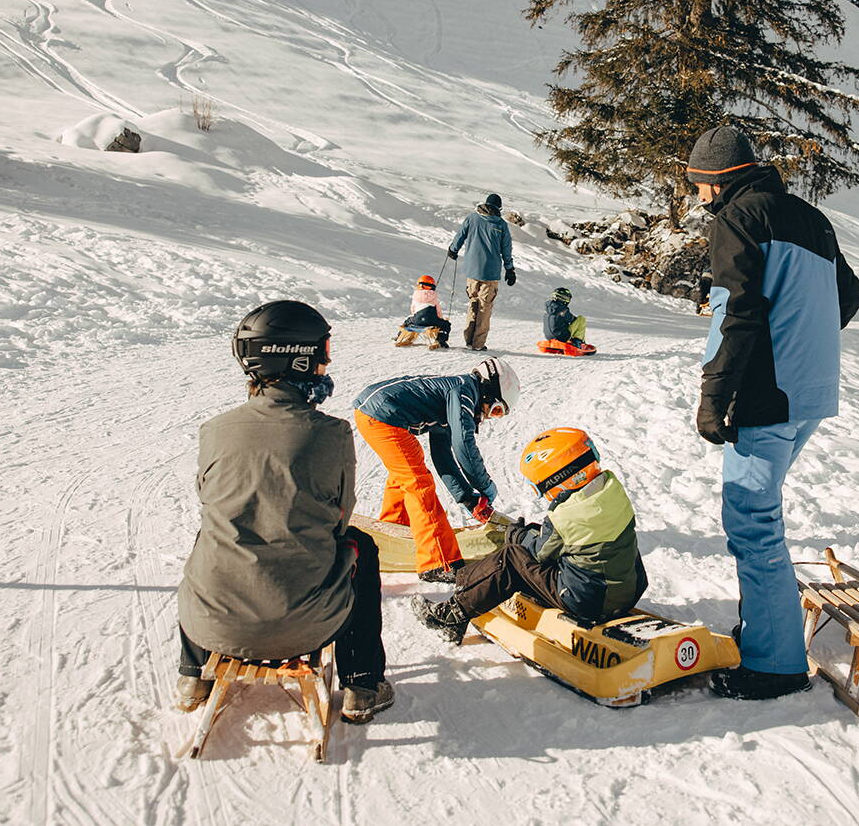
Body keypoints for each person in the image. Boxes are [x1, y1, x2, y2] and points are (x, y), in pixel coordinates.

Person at [686, 125, 859, 701]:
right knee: (762, 518)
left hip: (769, 397)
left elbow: (735, 314)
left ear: (716, 180)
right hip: (810, 394)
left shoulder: (738, 220)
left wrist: (714, 397)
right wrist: (804, 340)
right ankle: (766, 628)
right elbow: (850, 294)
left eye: (698, 186)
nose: (698, 198)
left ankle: (776, 664)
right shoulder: (811, 219)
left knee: (753, 525)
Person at [175, 301, 394, 723]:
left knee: (212, 535)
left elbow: (209, 498)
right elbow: (340, 518)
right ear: (299, 357)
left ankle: (192, 674)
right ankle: (362, 684)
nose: (326, 364)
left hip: (213, 625)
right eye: (322, 353)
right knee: (361, 546)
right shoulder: (331, 433)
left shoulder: (215, 430)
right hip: (307, 626)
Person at [413, 427, 647, 642]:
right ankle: (469, 582)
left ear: (557, 479)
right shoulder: (612, 488)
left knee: (512, 557)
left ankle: (451, 615)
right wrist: (534, 532)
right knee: (572, 542)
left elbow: (538, 553)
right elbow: (570, 538)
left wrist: (516, 535)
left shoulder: (563, 515)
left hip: (587, 602)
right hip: (630, 590)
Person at [352, 359, 519, 579]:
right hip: (382, 414)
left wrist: (468, 498)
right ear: (488, 391)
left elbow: (443, 456)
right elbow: (463, 446)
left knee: (407, 469)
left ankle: (394, 526)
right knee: (418, 482)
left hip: (375, 411)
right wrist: (485, 486)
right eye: (496, 410)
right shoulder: (464, 393)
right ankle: (439, 562)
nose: (488, 417)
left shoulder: (454, 395)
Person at [447, 192, 515, 351]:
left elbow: (460, 235)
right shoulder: (501, 225)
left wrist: (453, 249)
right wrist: (509, 269)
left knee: (473, 303)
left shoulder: (472, 218)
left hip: (472, 270)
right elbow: (506, 250)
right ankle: (478, 344)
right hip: (490, 273)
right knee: (485, 307)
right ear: (499, 208)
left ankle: (468, 339)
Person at [394, 273, 451, 349]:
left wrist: (416, 317)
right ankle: (441, 340)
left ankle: (399, 336)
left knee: (407, 321)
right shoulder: (433, 296)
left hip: (417, 320)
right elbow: (438, 311)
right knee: (446, 325)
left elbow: (413, 309)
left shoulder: (415, 295)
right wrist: (440, 319)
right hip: (431, 321)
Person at [542, 287, 593, 352]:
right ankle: (577, 342)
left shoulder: (547, 308)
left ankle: (571, 340)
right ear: (563, 298)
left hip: (548, 337)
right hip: (562, 337)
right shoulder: (562, 309)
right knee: (581, 319)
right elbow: (572, 319)